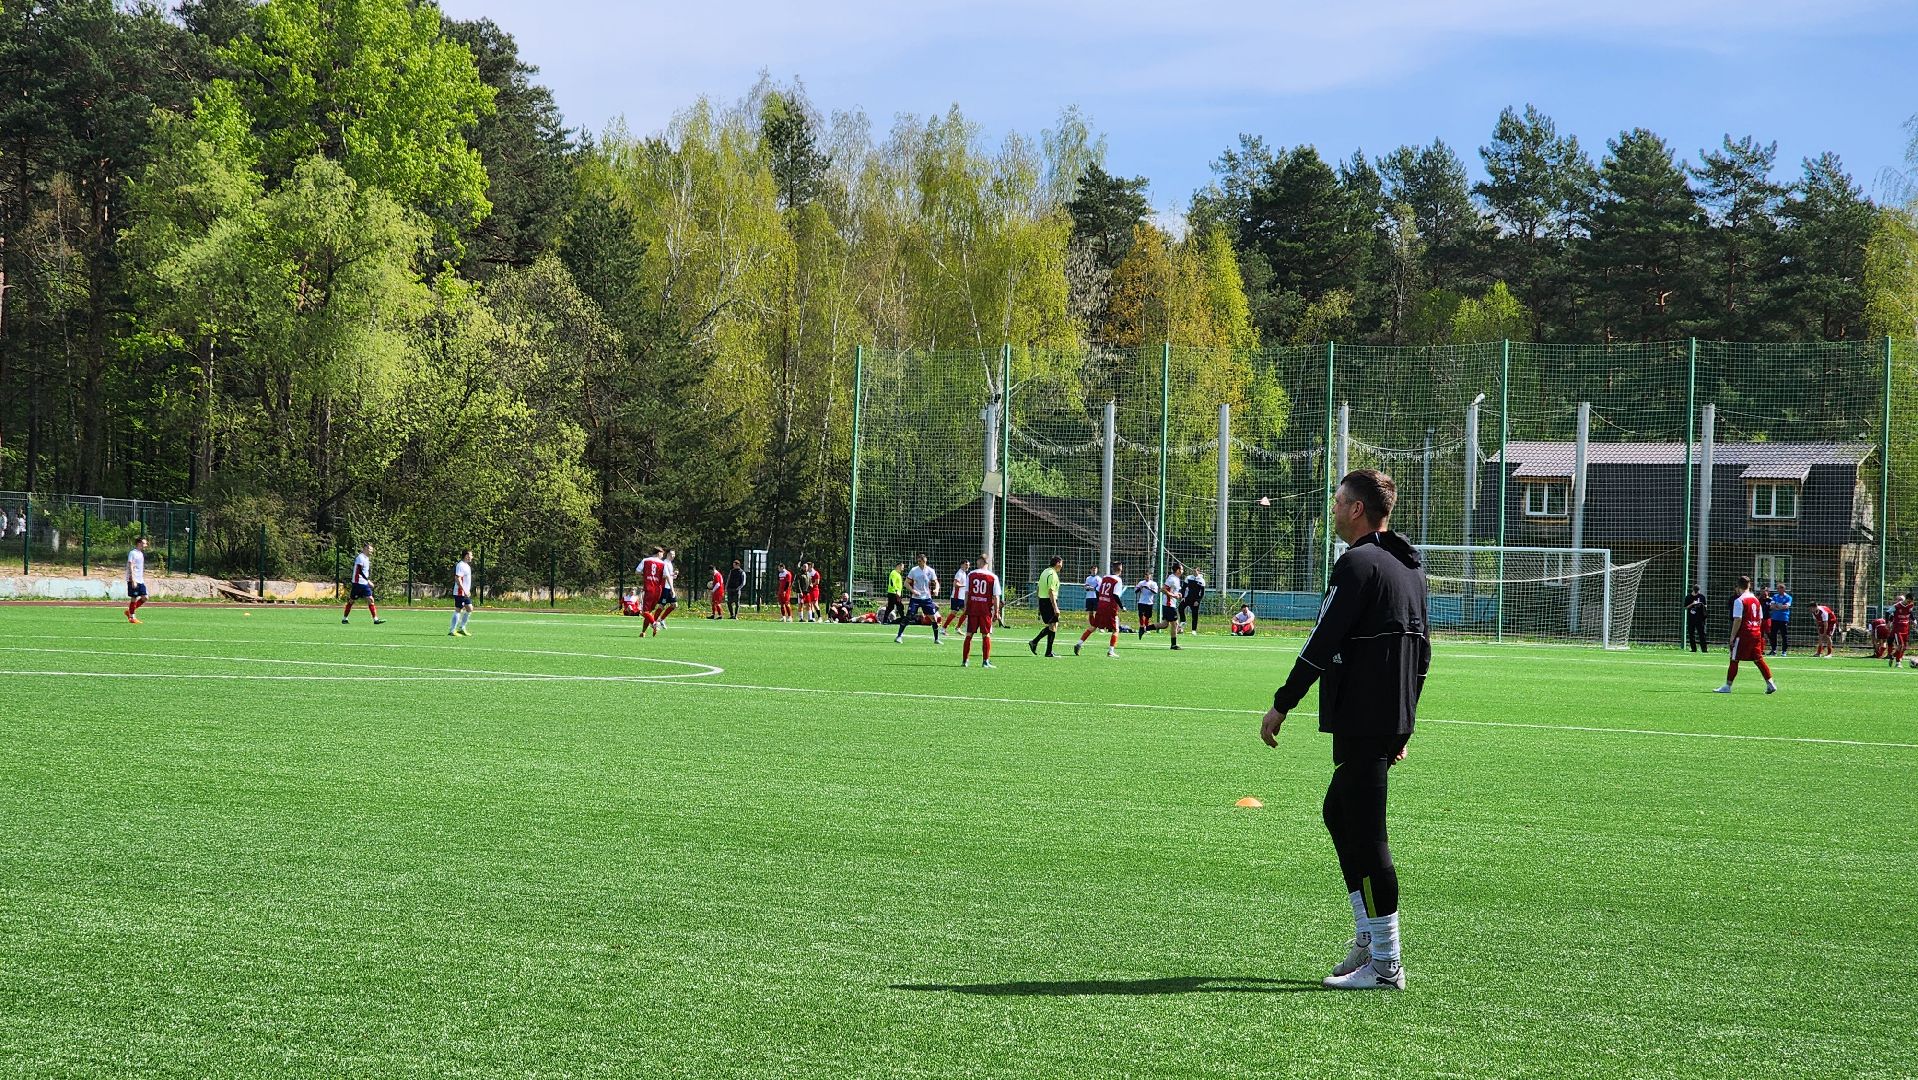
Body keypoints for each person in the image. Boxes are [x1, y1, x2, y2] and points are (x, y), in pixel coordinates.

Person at [1260, 469, 1429, 992]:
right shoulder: (1408, 567)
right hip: (1384, 718)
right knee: (1338, 811)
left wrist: (1281, 704)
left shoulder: (1356, 564)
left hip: (1364, 716)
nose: (1334, 510)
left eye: (1338, 503)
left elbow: (1321, 639)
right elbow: (1422, 654)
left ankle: (1386, 962)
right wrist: (1405, 724)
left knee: (1369, 834)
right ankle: (1368, 936)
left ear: (1357, 509)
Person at [1716, 575, 1778, 694]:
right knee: (1759, 659)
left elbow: (1738, 619)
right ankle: (1770, 684)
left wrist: (1732, 636)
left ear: (1738, 586)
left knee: (1734, 659)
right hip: (1756, 633)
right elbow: (1760, 619)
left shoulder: (1739, 600)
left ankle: (1727, 686)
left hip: (1744, 634)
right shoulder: (1756, 600)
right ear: (1749, 585)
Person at [1074, 561, 1125, 658]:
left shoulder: (1105, 578)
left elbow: (1097, 591)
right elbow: (1115, 595)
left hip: (1101, 605)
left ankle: (1079, 643)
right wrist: (1122, 607)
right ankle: (1111, 651)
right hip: (1110, 608)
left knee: (1093, 626)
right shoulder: (1118, 580)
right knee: (1116, 629)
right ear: (1120, 569)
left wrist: (1100, 601)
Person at [960, 553, 1002, 668]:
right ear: (988, 562)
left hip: (973, 610)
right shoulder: (993, 577)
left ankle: (965, 661)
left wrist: (966, 608)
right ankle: (985, 661)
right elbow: (996, 597)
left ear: (980, 561)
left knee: (969, 634)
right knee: (986, 635)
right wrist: (997, 612)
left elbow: (967, 593)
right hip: (985, 611)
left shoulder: (971, 575)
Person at [895, 554, 943, 645]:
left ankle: (936, 639)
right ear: (918, 561)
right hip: (916, 599)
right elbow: (906, 583)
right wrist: (913, 591)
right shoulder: (914, 570)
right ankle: (899, 636)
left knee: (933, 618)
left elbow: (936, 582)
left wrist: (936, 589)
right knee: (909, 616)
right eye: (920, 561)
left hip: (927, 598)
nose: (922, 563)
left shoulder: (930, 571)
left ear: (926, 561)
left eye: (923, 561)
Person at [1029, 556, 1064, 657]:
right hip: (1049, 601)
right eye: (1061, 563)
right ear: (1057, 563)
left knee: (1053, 625)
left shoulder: (1045, 572)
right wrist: (1055, 607)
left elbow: (1038, 589)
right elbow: (1051, 592)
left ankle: (1035, 642)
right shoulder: (1052, 574)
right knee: (1053, 626)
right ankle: (1048, 651)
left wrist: (1039, 603)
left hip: (1043, 600)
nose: (1062, 566)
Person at [343, 543, 384, 625]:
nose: (371, 551)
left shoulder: (366, 558)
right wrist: (368, 581)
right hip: (358, 583)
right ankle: (344, 618)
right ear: (365, 548)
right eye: (370, 549)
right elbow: (359, 571)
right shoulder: (360, 558)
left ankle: (376, 620)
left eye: (372, 550)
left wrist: (366, 581)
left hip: (363, 583)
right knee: (351, 601)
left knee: (370, 599)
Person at [637, 547, 667, 634]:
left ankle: (654, 623)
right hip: (658, 590)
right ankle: (643, 632)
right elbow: (665, 575)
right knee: (649, 612)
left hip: (648, 589)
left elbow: (637, 571)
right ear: (658, 553)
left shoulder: (645, 560)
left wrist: (646, 574)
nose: (662, 555)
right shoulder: (662, 563)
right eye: (662, 553)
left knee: (644, 612)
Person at [125, 536, 150, 624]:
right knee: (134, 598)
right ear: (139, 543)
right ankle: (132, 617)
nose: (146, 545)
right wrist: (133, 579)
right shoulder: (132, 553)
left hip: (140, 579)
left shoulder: (141, 553)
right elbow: (130, 565)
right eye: (144, 543)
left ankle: (129, 611)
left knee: (145, 597)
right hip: (134, 579)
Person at [941, 560, 972, 631]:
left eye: (968, 565)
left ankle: (957, 628)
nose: (967, 566)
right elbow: (955, 584)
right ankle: (943, 628)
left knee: (966, 612)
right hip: (956, 597)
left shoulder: (964, 573)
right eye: (966, 564)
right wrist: (965, 586)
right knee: (954, 613)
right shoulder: (959, 573)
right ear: (961, 565)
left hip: (962, 597)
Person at [449, 550, 474, 636]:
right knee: (458, 609)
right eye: (471, 555)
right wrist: (464, 590)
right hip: (460, 592)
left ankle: (461, 628)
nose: (472, 557)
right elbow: (458, 579)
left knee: (469, 608)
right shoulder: (460, 565)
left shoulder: (466, 566)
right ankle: (452, 630)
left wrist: (467, 590)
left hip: (465, 592)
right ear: (466, 556)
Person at [1163, 562, 1185, 651]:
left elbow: (1173, 591)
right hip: (1169, 604)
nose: (1183, 571)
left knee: (1165, 625)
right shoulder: (1171, 578)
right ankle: (1173, 645)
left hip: (1171, 603)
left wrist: (1178, 594)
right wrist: (1173, 595)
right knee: (1175, 624)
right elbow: (1163, 589)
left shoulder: (1176, 579)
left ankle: (1145, 628)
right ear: (1178, 570)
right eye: (1182, 569)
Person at [1768, 582, 1792, 656]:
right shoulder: (1775, 596)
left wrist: (1777, 607)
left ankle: (1784, 651)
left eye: (1780, 588)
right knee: (1773, 635)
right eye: (1777, 588)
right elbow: (1771, 606)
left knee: (1784, 635)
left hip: (1784, 618)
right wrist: (1780, 607)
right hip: (1775, 618)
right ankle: (1774, 650)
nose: (1778, 590)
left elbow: (1786, 607)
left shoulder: (1788, 597)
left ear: (1783, 589)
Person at [1133, 572, 1159, 640]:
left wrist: (1149, 588)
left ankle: (1146, 628)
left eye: (1148, 576)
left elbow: (1155, 592)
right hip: (1141, 602)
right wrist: (1140, 588)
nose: (1147, 577)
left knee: (1148, 616)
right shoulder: (1141, 583)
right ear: (1144, 576)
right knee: (1141, 615)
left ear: (1150, 576)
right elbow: (1136, 591)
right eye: (1146, 576)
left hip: (1149, 602)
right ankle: (1141, 627)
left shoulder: (1153, 583)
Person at [1891, 594, 1914, 669]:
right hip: (1897, 629)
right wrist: (1888, 623)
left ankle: (1893, 656)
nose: (1909, 602)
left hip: (1906, 629)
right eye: (1909, 601)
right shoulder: (1896, 606)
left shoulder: (1910, 605)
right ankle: (1898, 662)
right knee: (1900, 645)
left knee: (1905, 647)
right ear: (1906, 599)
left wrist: (1915, 622)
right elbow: (1889, 614)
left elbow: (1911, 615)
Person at [1684, 584, 1709, 653]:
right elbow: (1685, 607)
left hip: (1700, 619)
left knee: (1702, 634)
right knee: (1691, 634)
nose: (1697, 592)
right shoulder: (1688, 597)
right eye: (1696, 591)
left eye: (1698, 591)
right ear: (1693, 590)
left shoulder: (1702, 597)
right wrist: (1692, 604)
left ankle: (1704, 649)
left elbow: (1706, 606)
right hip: (1691, 618)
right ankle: (1693, 649)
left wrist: (1701, 605)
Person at [658, 550, 680, 625]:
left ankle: (661, 619)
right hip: (665, 588)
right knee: (661, 606)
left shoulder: (670, 564)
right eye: (671, 554)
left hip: (670, 588)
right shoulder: (664, 563)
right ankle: (653, 621)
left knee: (674, 605)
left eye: (674, 554)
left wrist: (673, 576)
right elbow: (663, 576)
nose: (673, 556)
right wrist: (672, 574)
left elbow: (669, 576)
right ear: (667, 554)